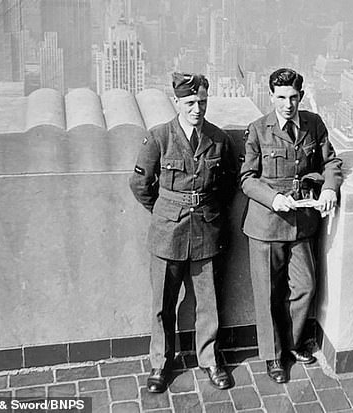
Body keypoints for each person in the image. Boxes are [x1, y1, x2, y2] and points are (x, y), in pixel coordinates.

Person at [130, 72, 236, 392]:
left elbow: (228, 183)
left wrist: (208, 210)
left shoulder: (218, 139)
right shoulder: (159, 137)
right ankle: (161, 363)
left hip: (206, 228)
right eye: (189, 103)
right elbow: (140, 183)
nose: (196, 109)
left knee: (209, 301)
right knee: (164, 302)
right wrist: (164, 210)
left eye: (202, 102)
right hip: (168, 231)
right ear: (176, 102)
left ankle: (210, 359)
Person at [240, 68, 343, 383]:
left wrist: (329, 188)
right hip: (266, 226)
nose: (288, 104)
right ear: (271, 96)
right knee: (268, 294)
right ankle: (273, 357)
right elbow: (247, 179)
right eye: (281, 97)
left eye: (294, 97)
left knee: (305, 286)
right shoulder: (258, 130)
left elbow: (331, 162)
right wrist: (273, 199)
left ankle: (293, 343)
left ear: (301, 96)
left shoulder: (314, 124)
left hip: (301, 224)